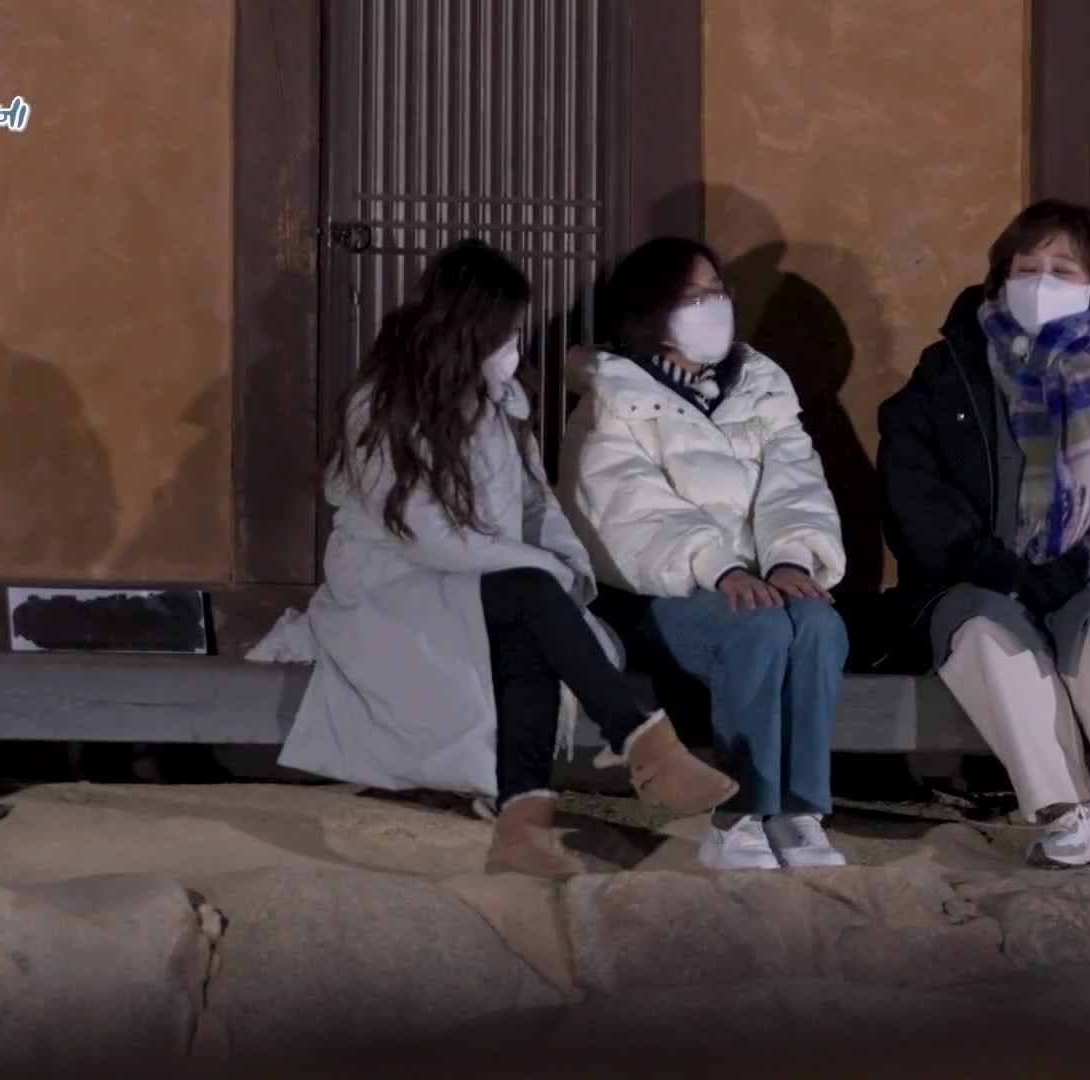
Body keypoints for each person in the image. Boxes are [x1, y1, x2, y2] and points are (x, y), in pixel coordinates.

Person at [246, 239, 738, 879]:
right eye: (507, 328)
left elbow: (537, 505)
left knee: (531, 623)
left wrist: (562, 565)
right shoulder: (384, 401)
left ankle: (525, 829)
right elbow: (424, 533)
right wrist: (538, 570)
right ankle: (645, 745)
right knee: (530, 597)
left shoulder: (501, 403)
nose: (514, 342)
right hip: (397, 584)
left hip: (481, 580)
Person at [873, 198, 1090, 868]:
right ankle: (1068, 811)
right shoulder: (949, 370)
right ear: (1000, 278)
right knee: (985, 631)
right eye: (1026, 268)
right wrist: (991, 564)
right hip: (977, 579)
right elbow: (911, 482)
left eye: (1063, 270)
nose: (1042, 283)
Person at [559, 237, 850, 871]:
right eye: (689, 297)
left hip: (757, 580)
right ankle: (739, 815)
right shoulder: (612, 399)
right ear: (648, 313)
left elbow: (795, 483)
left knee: (819, 625)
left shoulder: (763, 388)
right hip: (658, 589)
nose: (709, 306)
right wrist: (718, 566)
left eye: (715, 292)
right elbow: (627, 509)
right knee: (759, 628)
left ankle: (799, 811)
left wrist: (792, 558)